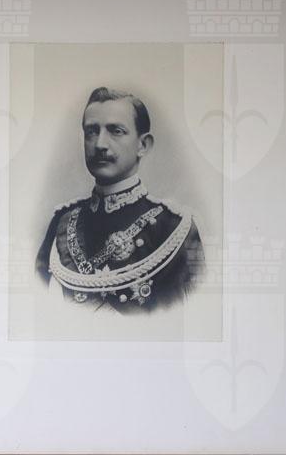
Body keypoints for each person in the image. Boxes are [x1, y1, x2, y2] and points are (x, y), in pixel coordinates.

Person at [35, 87, 205, 313]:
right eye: (92, 131)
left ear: (143, 145)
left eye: (116, 131)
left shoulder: (173, 228)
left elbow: (185, 319)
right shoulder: (62, 223)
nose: (100, 144)